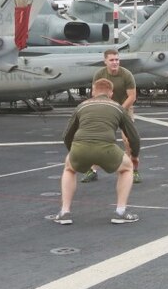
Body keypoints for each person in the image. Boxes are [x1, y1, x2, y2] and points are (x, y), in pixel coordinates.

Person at [52, 78, 141, 225]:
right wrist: (135, 156)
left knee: (69, 169)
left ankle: (64, 212)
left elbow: (67, 135)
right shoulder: (118, 107)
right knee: (127, 169)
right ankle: (120, 212)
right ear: (111, 93)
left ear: (93, 92)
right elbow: (133, 137)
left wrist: (72, 152)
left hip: (80, 147)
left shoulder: (81, 106)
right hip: (107, 148)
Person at [81, 49, 141, 184]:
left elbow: (132, 97)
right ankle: (93, 171)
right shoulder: (99, 74)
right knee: (98, 140)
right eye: (112, 60)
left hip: (124, 107)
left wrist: (118, 110)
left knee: (129, 141)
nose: (115, 62)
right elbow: (95, 94)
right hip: (106, 108)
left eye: (117, 60)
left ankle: (134, 170)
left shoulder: (126, 75)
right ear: (105, 61)